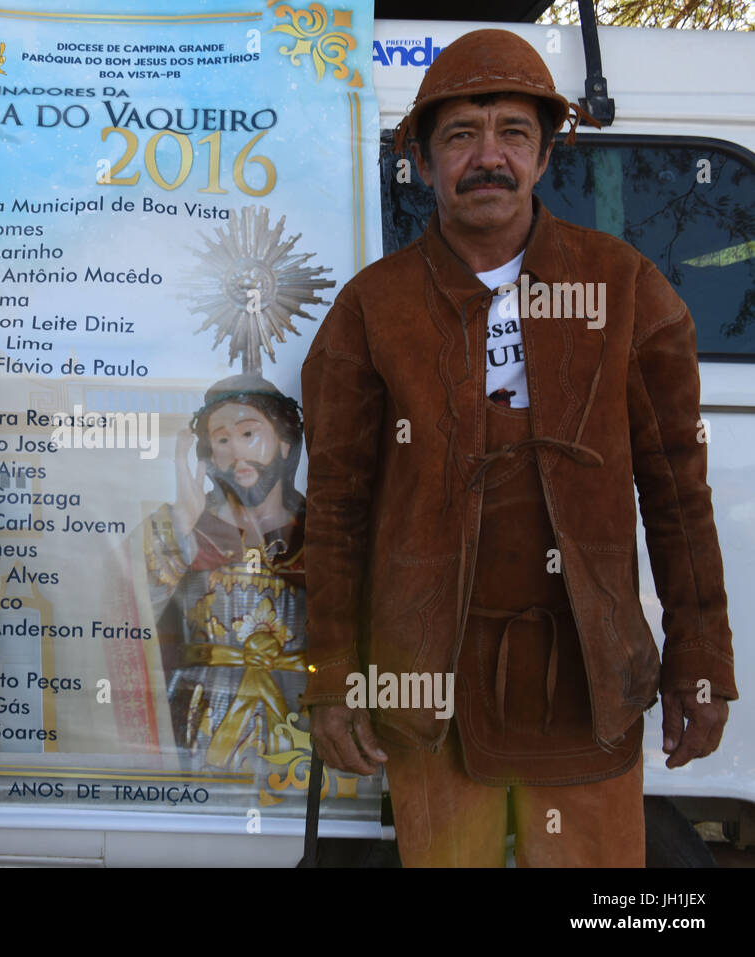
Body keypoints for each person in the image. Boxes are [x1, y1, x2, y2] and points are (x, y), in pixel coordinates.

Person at [299, 29, 737, 866]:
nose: (487, 157)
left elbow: (679, 494)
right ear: (423, 164)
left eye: (513, 134)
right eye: (460, 136)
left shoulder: (625, 287)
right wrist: (332, 678)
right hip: (427, 690)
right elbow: (337, 511)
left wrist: (702, 658)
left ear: (544, 157)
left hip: (588, 682)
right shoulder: (371, 310)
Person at [144, 374, 310, 773]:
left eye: (248, 433)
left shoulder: (318, 533)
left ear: (285, 444)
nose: (236, 451)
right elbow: (127, 616)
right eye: (222, 440)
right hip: (202, 711)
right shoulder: (182, 528)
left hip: (299, 711)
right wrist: (182, 527)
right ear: (207, 456)